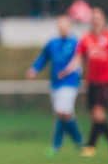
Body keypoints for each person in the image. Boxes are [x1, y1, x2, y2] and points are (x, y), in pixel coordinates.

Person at [59, 7, 108, 157]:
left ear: (103, 19)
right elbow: (79, 58)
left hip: (107, 81)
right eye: (93, 18)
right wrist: (67, 70)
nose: (96, 21)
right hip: (91, 81)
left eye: (98, 18)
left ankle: (91, 146)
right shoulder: (86, 38)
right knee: (96, 115)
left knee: (98, 112)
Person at [26, 15, 84, 156]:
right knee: (64, 115)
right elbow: (43, 58)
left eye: (65, 26)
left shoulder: (76, 42)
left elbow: (80, 59)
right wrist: (34, 69)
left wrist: (69, 70)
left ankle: (60, 144)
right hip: (55, 83)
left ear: (69, 27)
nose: (63, 28)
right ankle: (78, 143)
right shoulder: (52, 42)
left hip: (70, 82)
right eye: (60, 26)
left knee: (62, 111)